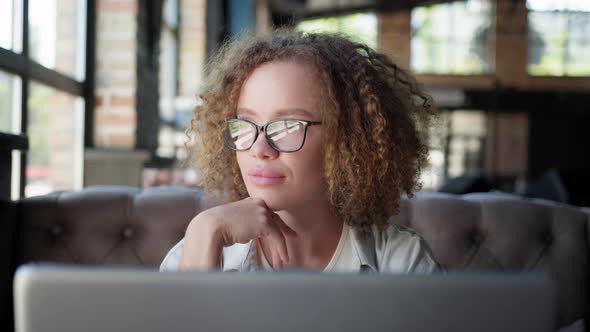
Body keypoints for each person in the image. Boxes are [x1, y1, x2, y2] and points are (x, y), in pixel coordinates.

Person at [160, 29, 439, 274]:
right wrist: (205, 230)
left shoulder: (403, 262)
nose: (259, 149)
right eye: (246, 124)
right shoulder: (196, 250)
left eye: (287, 127)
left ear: (347, 139)